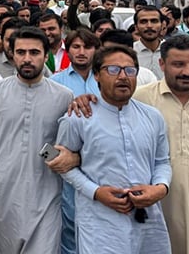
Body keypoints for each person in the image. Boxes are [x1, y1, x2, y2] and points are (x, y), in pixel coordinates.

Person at [56, 45, 172, 254]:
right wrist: (97, 192)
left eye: (129, 70)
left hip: (148, 219)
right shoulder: (79, 117)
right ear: (97, 75)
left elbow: (162, 161)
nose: (123, 77)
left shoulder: (152, 117)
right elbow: (63, 167)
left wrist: (160, 188)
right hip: (100, 222)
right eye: (113, 70)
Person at [0, 26, 73, 254]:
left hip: (46, 195)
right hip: (1, 194)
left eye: (34, 53)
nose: (27, 59)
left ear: (45, 56)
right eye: (21, 52)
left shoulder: (63, 96)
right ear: (12, 55)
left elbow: (69, 144)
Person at [133, 35, 189, 254]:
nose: (187, 72)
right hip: (156, 208)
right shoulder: (139, 100)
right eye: (178, 64)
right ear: (162, 64)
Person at [49, 28, 101, 254]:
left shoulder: (105, 82)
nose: (81, 52)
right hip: (65, 172)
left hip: (100, 166)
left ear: (96, 50)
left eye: (87, 47)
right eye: (76, 47)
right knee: (68, 226)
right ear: (67, 49)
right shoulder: (55, 83)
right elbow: (44, 133)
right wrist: (54, 162)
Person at [133, 6, 164, 79]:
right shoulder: (130, 52)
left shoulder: (171, 51)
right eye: (143, 22)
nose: (149, 26)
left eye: (154, 21)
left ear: (162, 25)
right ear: (136, 27)